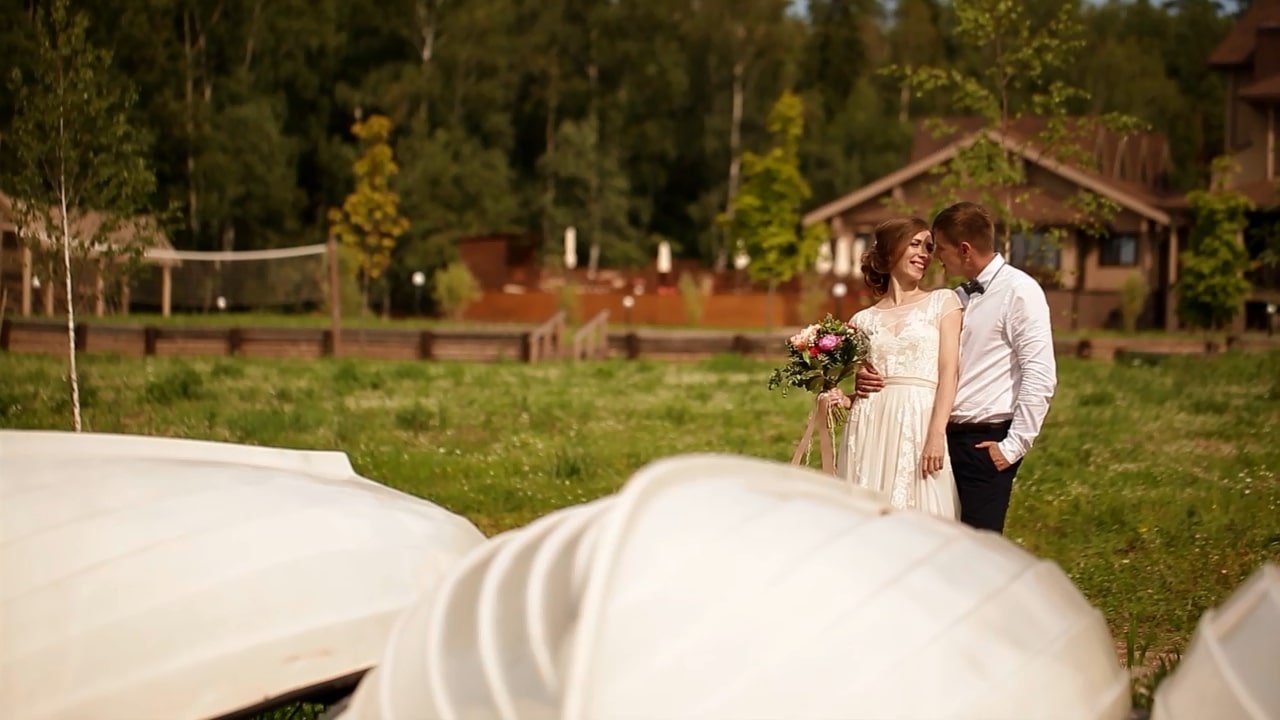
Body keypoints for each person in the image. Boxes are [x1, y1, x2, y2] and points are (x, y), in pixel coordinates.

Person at [856, 202, 1057, 534]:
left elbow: (1040, 374)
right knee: (938, 541)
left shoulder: (1019, 291)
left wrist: (1013, 447)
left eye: (941, 250)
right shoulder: (955, 298)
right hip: (938, 435)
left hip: (985, 442)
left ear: (964, 250)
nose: (936, 258)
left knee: (978, 550)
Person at [825, 216, 962, 520]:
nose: (924, 253)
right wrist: (845, 396)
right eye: (914, 244)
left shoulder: (943, 303)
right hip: (869, 424)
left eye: (928, 247)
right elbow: (867, 380)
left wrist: (937, 435)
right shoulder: (863, 320)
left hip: (919, 421)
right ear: (890, 252)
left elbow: (949, 373)